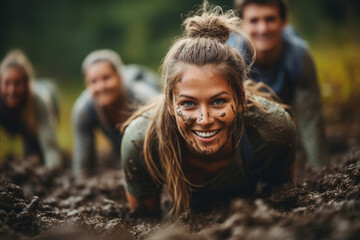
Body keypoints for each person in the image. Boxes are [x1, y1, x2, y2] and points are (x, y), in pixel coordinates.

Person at [121, 1, 296, 217]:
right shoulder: (142, 142)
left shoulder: (272, 131)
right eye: (188, 103)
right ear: (170, 105)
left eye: (218, 101)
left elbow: (284, 204)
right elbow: (143, 224)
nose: (204, 119)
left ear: (240, 100)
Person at [227, 0, 327, 167]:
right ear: (241, 25)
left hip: (283, 105)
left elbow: (311, 119)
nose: (263, 29)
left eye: (270, 19)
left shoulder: (299, 56)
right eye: (254, 21)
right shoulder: (230, 61)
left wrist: (321, 170)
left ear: (284, 21)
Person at [72, 49, 160, 179]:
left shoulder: (145, 99)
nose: (101, 87)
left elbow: (166, 143)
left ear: (119, 77)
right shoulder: (84, 110)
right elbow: (83, 164)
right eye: (94, 82)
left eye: (106, 78)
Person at [0, 49, 62, 169]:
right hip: (17, 119)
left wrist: (52, 172)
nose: (11, 90)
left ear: (26, 84)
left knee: (35, 151)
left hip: (47, 99)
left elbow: (50, 147)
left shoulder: (40, 101)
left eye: (18, 83)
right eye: (7, 83)